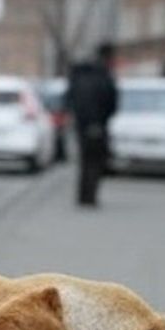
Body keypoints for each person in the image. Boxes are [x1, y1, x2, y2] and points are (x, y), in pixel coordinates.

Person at [66, 42, 118, 208]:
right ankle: (90, 196)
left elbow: (69, 98)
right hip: (98, 124)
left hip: (81, 124)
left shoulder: (80, 74)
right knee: (95, 161)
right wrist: (102, 119)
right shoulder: (104, 75)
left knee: (85, 160)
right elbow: (112, 101)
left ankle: (83, 195)